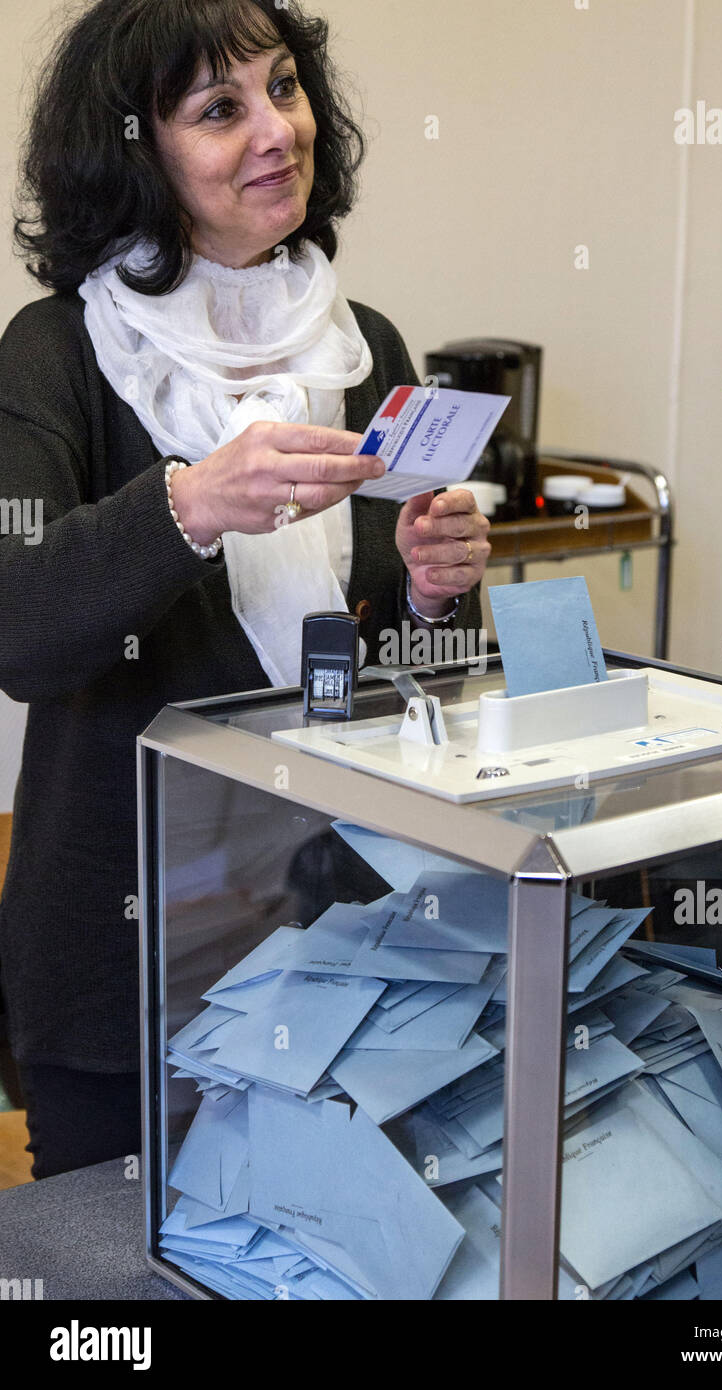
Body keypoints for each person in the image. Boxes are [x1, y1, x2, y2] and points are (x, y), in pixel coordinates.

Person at [0, 0, 490, 1178]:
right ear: (139, 153)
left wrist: (434, 595)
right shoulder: (58, 350)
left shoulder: (364, 341)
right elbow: (18, 629)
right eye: (221, 109)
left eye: (283, 87)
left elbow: (438, 681)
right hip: (126, 952)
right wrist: (188, 506)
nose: (277, 129)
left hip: (342, 928)